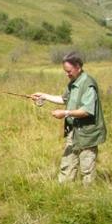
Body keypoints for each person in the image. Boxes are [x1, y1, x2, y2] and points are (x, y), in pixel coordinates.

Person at [31, 52, 106, 185]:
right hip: (74, 130)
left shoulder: (88, 84)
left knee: (87, 167)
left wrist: (65, 113)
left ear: (78, 67)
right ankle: (63, 191)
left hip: (87, 133)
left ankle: (87, 197)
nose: (67, 74)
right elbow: (63, 99)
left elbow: (86, 111)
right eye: (65, 71)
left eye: (69, 71)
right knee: (67, 162)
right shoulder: (73, 82)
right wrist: (43, 96)